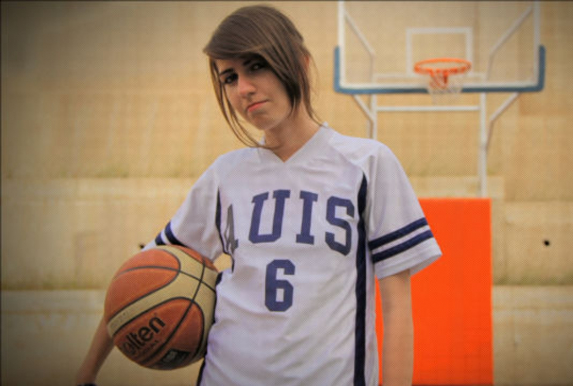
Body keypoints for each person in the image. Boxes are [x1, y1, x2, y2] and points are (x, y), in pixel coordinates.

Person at [76, 4, 441, 386]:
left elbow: (398, 308)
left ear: (298, 63)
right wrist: (86, 372)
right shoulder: (224, 176)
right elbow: (140, 279)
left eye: (255, 66)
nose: (243, 89)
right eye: (229, 78)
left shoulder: (368, 164)